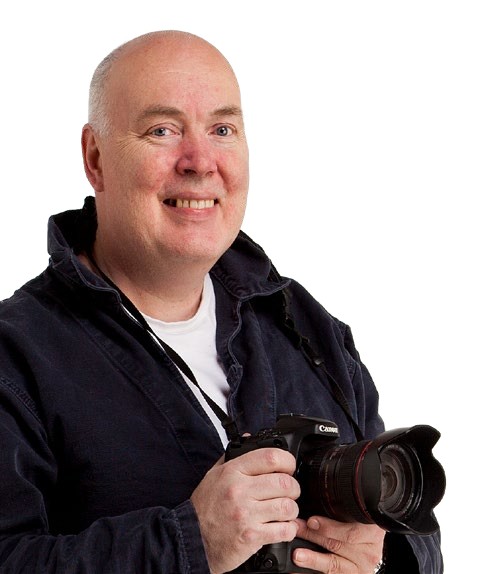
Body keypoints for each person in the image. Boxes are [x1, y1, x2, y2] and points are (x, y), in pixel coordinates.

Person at [0, 30, 442, 573]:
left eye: (222, 129)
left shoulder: (303, 325)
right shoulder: (17, 356)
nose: (200, 161)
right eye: (163, 130)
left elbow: (409, 525)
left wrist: (384, 557)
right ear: (96, 158)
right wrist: (193, 541)